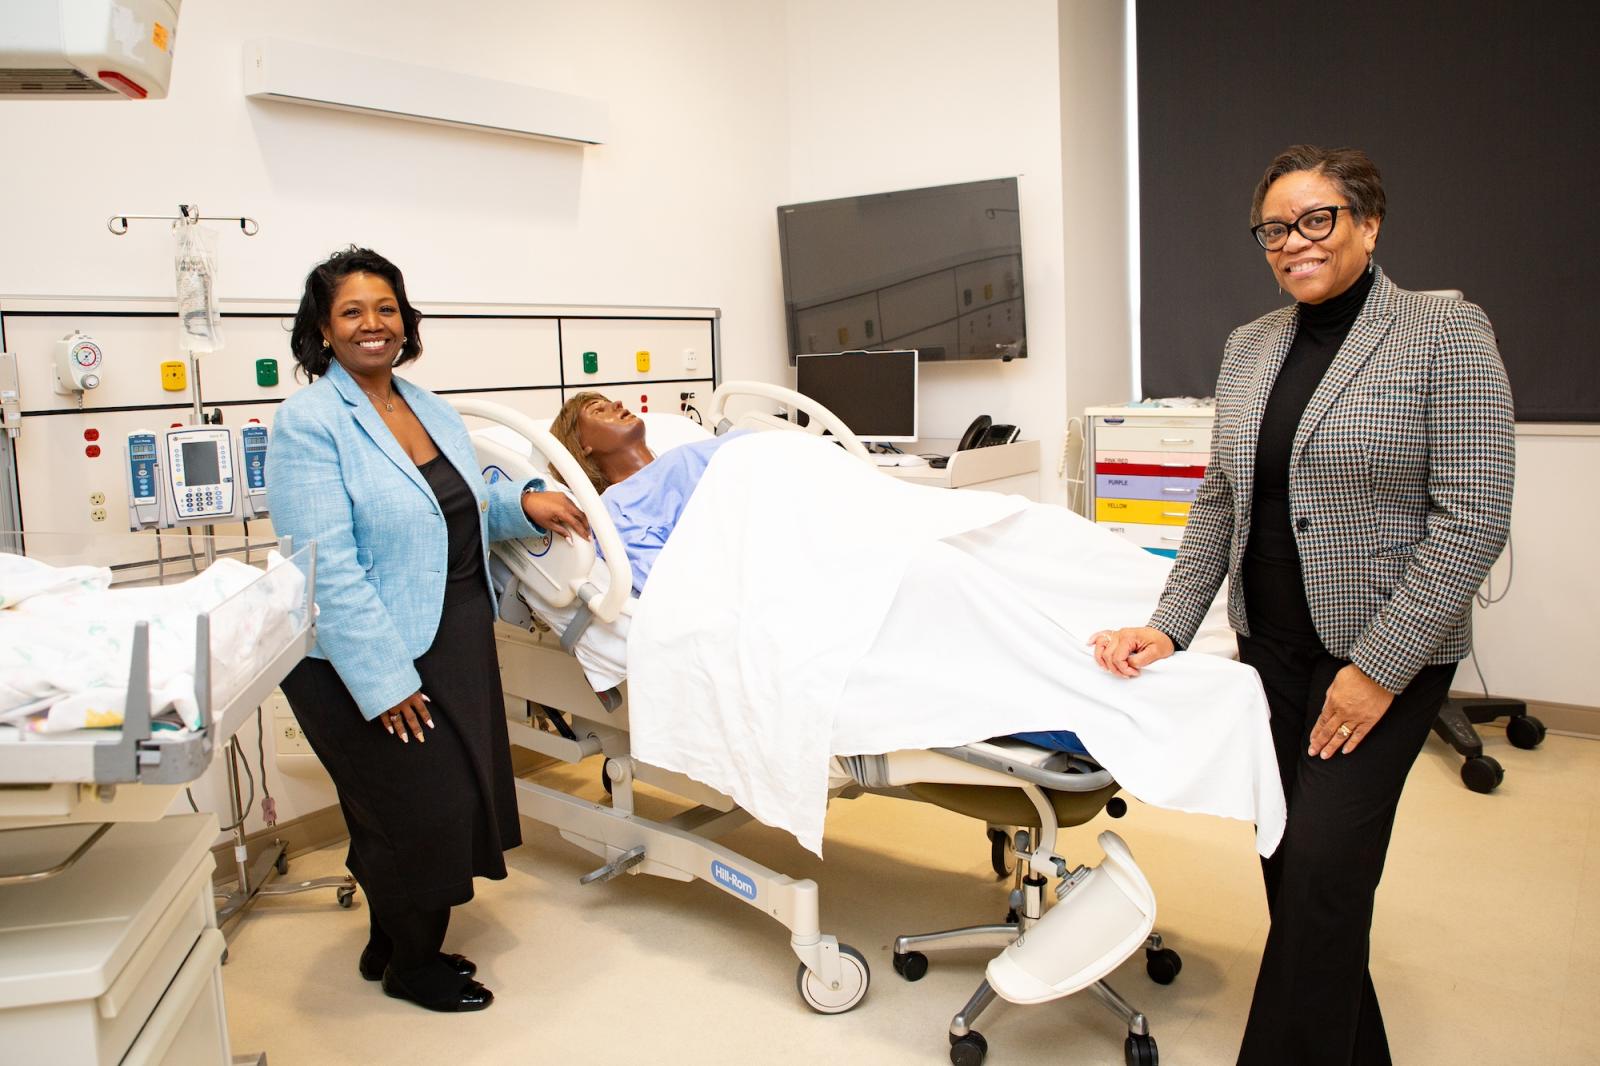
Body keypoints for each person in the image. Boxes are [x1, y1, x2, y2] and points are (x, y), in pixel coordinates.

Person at [1090, 146, 1515, 1065]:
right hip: (1272, 651)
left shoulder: (1444, 330)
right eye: (1276, 228)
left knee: (1323, 871)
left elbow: (1474, 514)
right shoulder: (1251, 345)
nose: (1295, 243)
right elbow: (1220, 503)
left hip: (1383, 657)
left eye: (1317, 219)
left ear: (1368, 224)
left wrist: (1377, 671)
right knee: (1295, 869)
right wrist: (1169, 623)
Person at [266, 247, 589, 1013]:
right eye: (352, 311)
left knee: (417, 809)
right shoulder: (310, 423)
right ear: (323, 328)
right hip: (363, 651)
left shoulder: (427, 406)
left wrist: (524, 506)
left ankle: (390, 944)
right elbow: (326, 568)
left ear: (405, 322)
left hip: (453, 630)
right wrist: (383, 683)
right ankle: (416, 963)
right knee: (425, 809)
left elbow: (459, 505)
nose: (372, 325)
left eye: (386, 309)